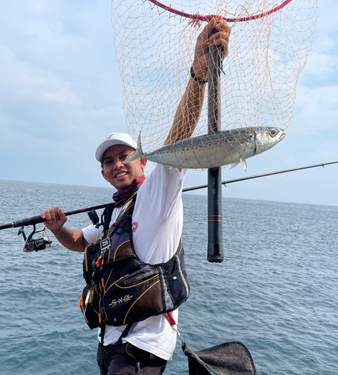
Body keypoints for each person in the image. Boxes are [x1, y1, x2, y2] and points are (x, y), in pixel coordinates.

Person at [41, 19, 231, 375]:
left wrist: (199, 73)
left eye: (125, 156)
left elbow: (178, 140)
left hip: (143, 347)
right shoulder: (115, 214)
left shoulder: (157, 193)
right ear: (103, 174)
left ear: (144, 161)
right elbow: (81, 241)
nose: (117, 164)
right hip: (110, 341)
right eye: (108, 161)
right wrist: (57, 228)